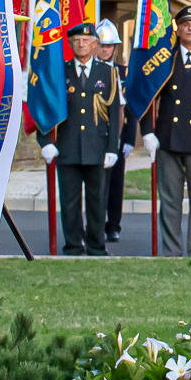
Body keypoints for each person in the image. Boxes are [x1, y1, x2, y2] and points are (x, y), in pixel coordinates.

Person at [139, 2, 191, 256]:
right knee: (170, 201)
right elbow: (147, 95)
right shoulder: (164, 59)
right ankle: (171, 251)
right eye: (185, 24)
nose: (190, 28)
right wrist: (147, 132)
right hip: (168, 139)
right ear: (177, 29)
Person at [45, 20, 121, 255]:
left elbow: (114, 113)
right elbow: (47, 108)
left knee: (97, 202)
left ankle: (97, 246)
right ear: (70, 43)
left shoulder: (108, 73)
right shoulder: (61, 71)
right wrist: (46, 141)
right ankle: (74, 246)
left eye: (86, 40)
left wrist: (112, 148)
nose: (81, 44)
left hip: (97, 147)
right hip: (67, 147)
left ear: (95, 44)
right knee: (69, 203)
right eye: (77, 40)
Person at [95, 18, 127, 244]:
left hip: (118, 136)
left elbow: (131, 107)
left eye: (109, 46)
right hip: (95, 135)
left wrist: (128, 139)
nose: (105, 50)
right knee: (96, 184)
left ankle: (113, 225)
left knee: (115, 183)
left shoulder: (124, 72)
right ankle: (95, 224)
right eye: (101, 45)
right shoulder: (88, 70)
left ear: (115, 48)